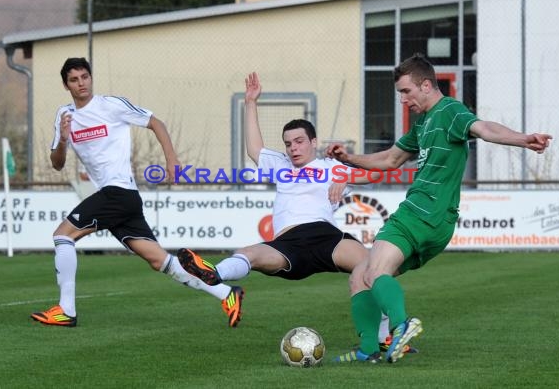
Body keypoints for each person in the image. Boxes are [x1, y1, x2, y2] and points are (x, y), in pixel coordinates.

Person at [326, 53, 552, 363]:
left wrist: (524, 139)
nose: (403, 100)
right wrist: (349, 159)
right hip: (435, 222)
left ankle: (401, 326)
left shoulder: (450, 111)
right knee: (363, 275)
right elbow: (391, 159)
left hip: (422, 212)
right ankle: (369, 350)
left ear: (427, 85)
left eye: (406, 91)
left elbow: (485, 128)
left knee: (374, 269)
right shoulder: (423, 124)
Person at [178, 72, 415, 357]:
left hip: (326, 236)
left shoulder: (331, 165)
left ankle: (384, 338)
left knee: (370, 268)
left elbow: (378, 171)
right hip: (287, 243)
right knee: (248, 254)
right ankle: (215, 275)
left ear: (313, 142)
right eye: (289, 143)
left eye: (300, 141)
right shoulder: (280, 164)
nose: (293, 148)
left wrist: (345, 175)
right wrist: (251, 103)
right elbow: (254, 148)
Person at [30, 57, 241, 328]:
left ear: (91, 78)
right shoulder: (65, 116)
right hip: (121, 198)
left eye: (85, 76)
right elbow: (57, 164)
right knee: (159, 261)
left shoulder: (111, 106)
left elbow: (157, 123)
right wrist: (62, 138)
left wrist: (172, 161)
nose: (81, 83)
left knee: (63, 235)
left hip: (118, 192)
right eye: (74, 79)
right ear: (66, 85)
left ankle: (66, 310)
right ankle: (226, 293)